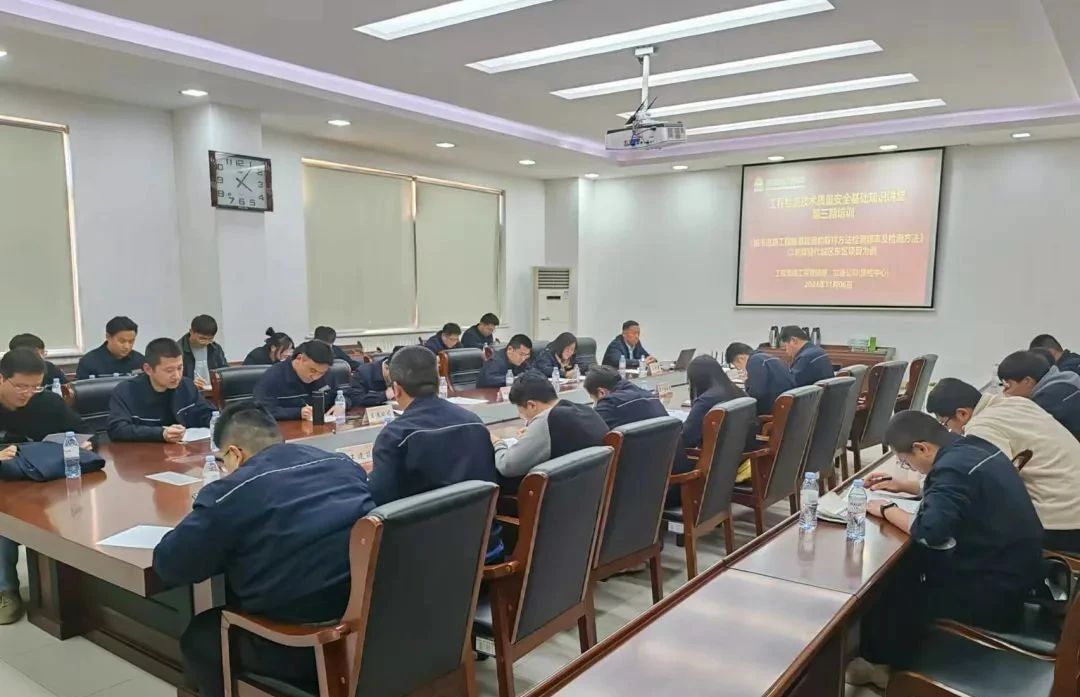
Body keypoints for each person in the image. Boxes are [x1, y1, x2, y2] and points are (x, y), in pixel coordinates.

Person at [153, 403, 375, 697]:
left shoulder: (231, 493)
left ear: (235, 453)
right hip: (367, 626)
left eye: (222, 460)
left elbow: (170, 564)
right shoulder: (342, 465)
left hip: (304, 644)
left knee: (202, 637)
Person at [846, 411, 1043, 686]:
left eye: (907, 463)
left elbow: (931, 531)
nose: (911, 469)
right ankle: (884, 657)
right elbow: (958, 491)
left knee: (892, 581)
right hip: (1019, 571)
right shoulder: (973, 446)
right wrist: (906, 486)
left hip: (995, 591)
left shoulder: (952, 468)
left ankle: (883, 667)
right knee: (908, 566)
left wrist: (886, 508)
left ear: (922, 448)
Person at [368, 346, 502, 560]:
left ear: (396, 389)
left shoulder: (395, 435)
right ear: (438, 380)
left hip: (431, 558)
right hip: (485, 544)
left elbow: (380, 503)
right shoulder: (473, 421)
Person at [926, 378, 1080, 552]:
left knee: (964, 531)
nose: (951, 430)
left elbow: (988, 486)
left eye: (945, 423)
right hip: (1072, 505)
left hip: (1062, 523)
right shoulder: (1017, 403)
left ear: (962, 414)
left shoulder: (982, 427)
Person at [0, 349, 89, 624]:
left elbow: (83, 432)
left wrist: (84, 443)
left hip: (45, 482)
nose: (28, 393)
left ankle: (74, 588)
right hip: (4, 486)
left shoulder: (47, 402)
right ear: (1, 379)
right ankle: (6, 592)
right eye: (20, 386)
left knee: (79, 507)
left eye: (35, 386)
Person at [493, 373, 608, 488]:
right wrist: (533, 433)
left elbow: (507, 466)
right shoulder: (586, 411)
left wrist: (498, 443)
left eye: (521, 412)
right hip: (593, 489)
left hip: (560, 493)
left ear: (532, 405)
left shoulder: (547, 420)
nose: (522, 417)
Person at [673, 356, 760, 490]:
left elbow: (687, 439)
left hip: (715, 470)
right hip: (740, 460)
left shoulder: (705, 401)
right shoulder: (738, 392)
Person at [107, 339, 214, 443]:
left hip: (183, 450)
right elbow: (117, 429)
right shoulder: (126, 391)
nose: (177, 376)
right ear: (148, 369)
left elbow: (206, 413)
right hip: (144, 452)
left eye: (180, 368)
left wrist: (218, 421)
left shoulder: (186, 385)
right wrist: (160, 433)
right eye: (169, 370)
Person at [253, 341, 352, 421]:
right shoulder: (273, 376)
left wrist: (342, 404)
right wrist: (298, 412)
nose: (315, 377)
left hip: (323, 428)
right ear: (299, 358)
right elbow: (261, 411)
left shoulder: (327, 374)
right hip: (287, 433)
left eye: (321, 373)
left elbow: (345, 395)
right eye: (312, 370)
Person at [998, 350, 1080, 441]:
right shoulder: (1070, 380)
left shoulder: (1044, 405)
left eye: (1008, 385)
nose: (1005, 391)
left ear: (1027, 381)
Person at [585, 365, 668, 430]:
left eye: (594, 399)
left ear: (601, 392)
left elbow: (589, 432)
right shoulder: (650, 396)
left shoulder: (609, 403)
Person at [725, 341, 794, 415]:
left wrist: (746, 384)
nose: (740, 369)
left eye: (737, 367)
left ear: (740, 359)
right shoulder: (768, 357)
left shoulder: (754, 361)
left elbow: (755, 395)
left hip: (772, 411)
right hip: (785, 407)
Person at [75, 316, 144, 379]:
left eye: (131, 341)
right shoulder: (89, 362)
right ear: (108, 337)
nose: (127, 346)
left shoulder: (140, 361)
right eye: (122, 341)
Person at [178, 315, 228, 388]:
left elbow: (225, 371)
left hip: (213, 390)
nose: (206, 342)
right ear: (191, 332)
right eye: (202, 338)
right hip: (189, 391)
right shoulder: (178, 349)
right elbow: (174, 377)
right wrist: (190, 385)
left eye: (210, 339)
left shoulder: (215, 348)